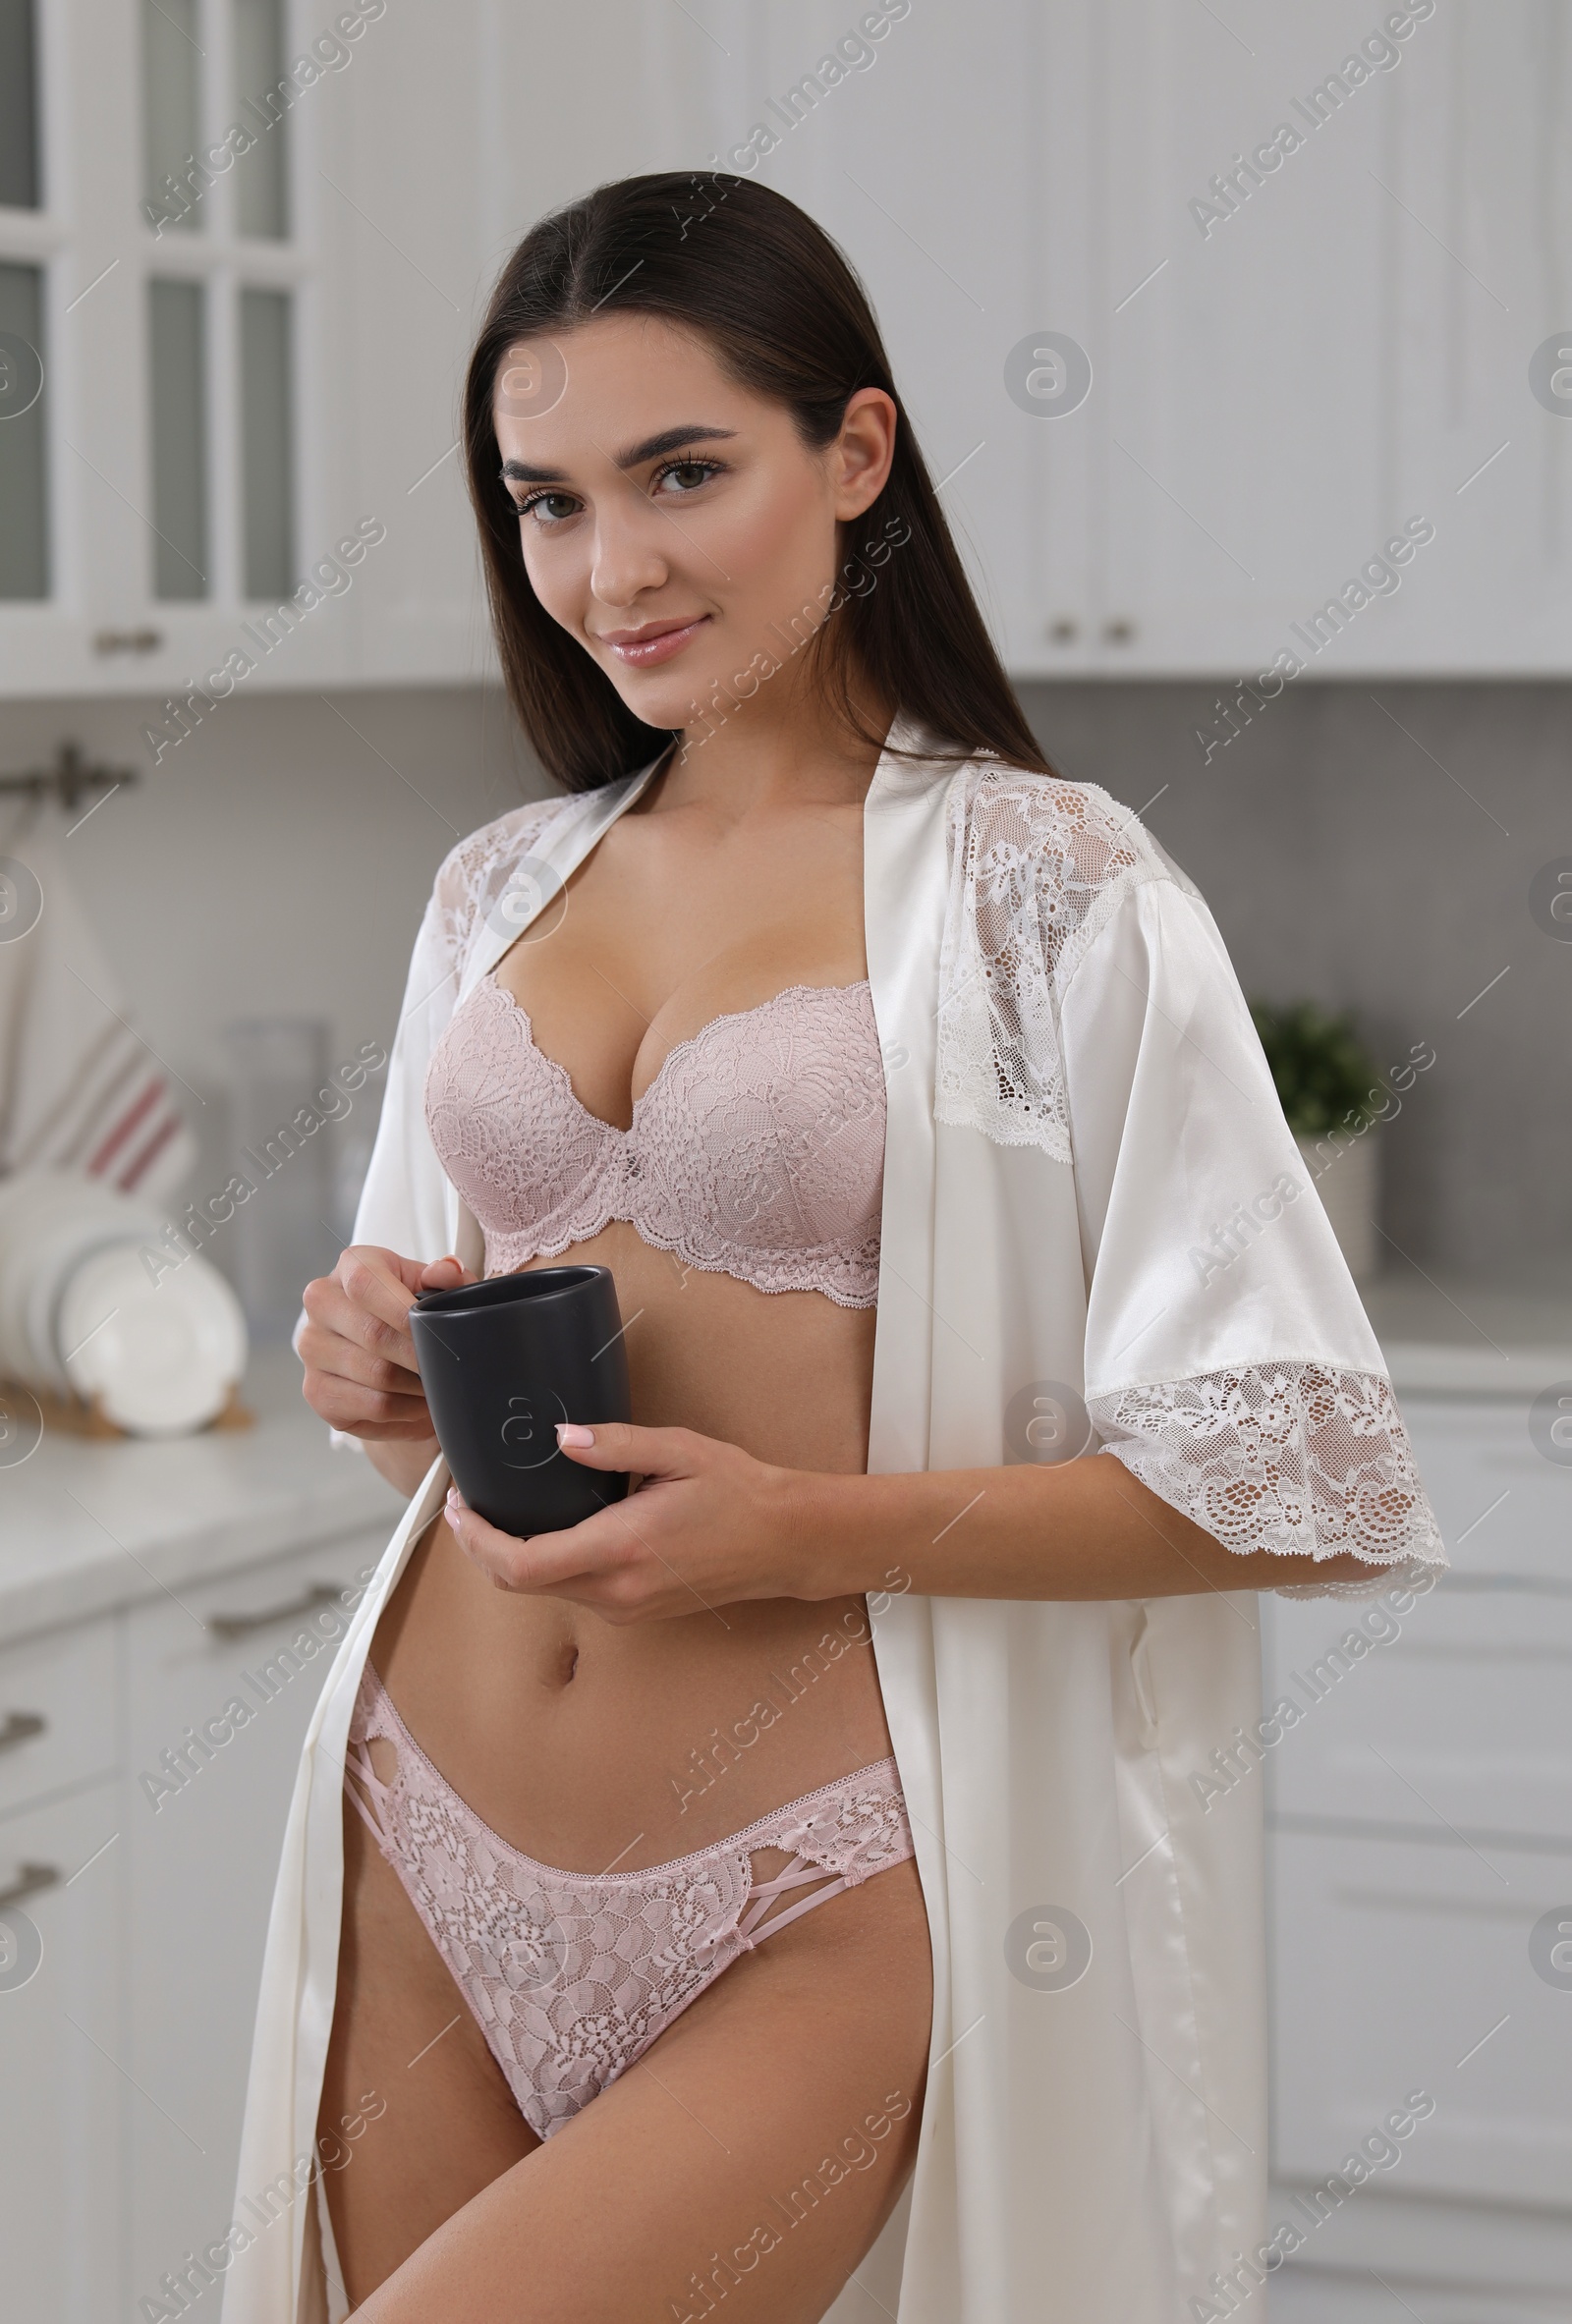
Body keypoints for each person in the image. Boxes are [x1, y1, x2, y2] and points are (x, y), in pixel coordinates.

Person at [222, 173, 1445, 2324]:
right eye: (549, 500)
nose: (613, 566)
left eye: (679, 471)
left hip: (823, 1883)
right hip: (419, 1818)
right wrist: (367, 1362)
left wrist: (805, 1525)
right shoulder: (494, 882)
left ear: (850, 455)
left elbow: (1300, 1474)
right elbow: (438, 1374)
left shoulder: (1051, 885)